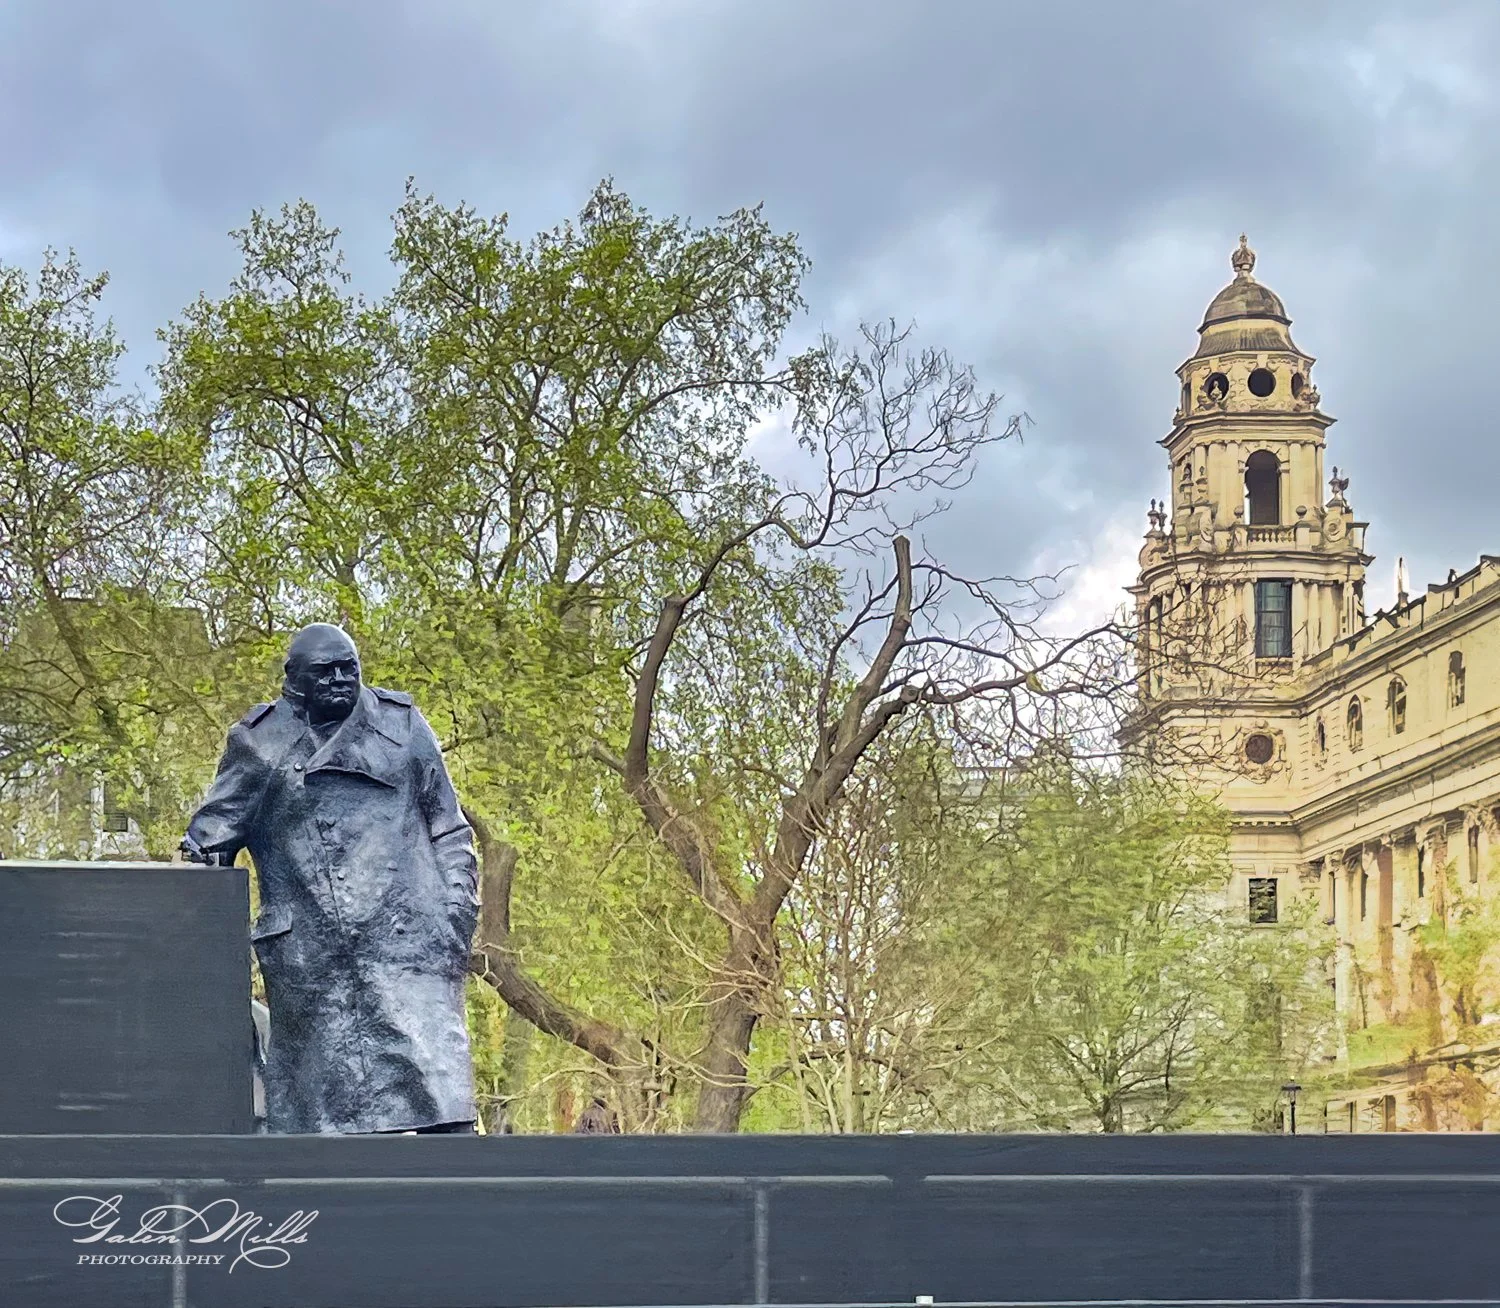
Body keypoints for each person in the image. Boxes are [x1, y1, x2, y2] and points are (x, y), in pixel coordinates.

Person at [183, 623, 480, 1135]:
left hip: (411, 945)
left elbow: (450, 828)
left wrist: (454, 912)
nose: (341, 679)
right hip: (314, 963)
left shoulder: (404, 728)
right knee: (323, 1134)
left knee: (442, 1110)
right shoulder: (260, 743)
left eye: (350, 668)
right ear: (294, 680)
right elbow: (210, 844)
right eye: (325, 672)